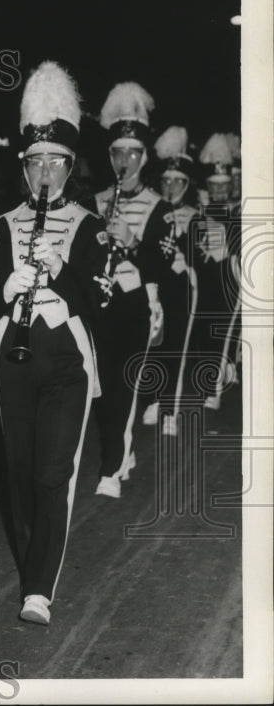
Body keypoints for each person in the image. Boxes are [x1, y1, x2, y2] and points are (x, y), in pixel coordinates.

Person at [0, 61, 109, 626]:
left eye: (55, 161)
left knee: (55, 471)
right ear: (24, 167)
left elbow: (101, 298)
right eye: (36, 161)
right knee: (21, 473)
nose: (45, 170)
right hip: (13, 360)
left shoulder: (88, 224)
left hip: (66, 362)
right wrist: (7, 285)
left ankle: (39, 588)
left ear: (70, 165)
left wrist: (63, 272)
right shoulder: (2, 225)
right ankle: (33, 561)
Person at [86, 81, 172, 499]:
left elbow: (164, 266)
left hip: (135, 304)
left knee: (123, 385)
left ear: (144, 156)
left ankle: (111, 469)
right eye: (118, 153)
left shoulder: (159, 206)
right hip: (100, 303)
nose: (125, 160)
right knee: (102, 387)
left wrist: (133, 244)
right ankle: (124, 449)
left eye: (132, 154)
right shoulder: (97, 200)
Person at [141, 127, 199, 436]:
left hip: (179, 287)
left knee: (175, 347)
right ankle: (152, 399)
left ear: (186, 185)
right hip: (154, 286)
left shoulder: (194, 215)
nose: (171, 186)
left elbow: (201, 257)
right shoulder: (151, 211)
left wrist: (185, 258)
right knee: (152, 346)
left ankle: (170, 409)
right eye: (167, 180)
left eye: (178, 181)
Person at [191, 133, 241, 412]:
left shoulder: (237, 213)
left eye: (224, 186)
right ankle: (216, 375)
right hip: (206, 282)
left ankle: (215, 388)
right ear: (208, 186)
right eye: (214, 185)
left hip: (230, 280)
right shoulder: (200, 214)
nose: (219, 191)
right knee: (205, 333)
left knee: (224, 333)